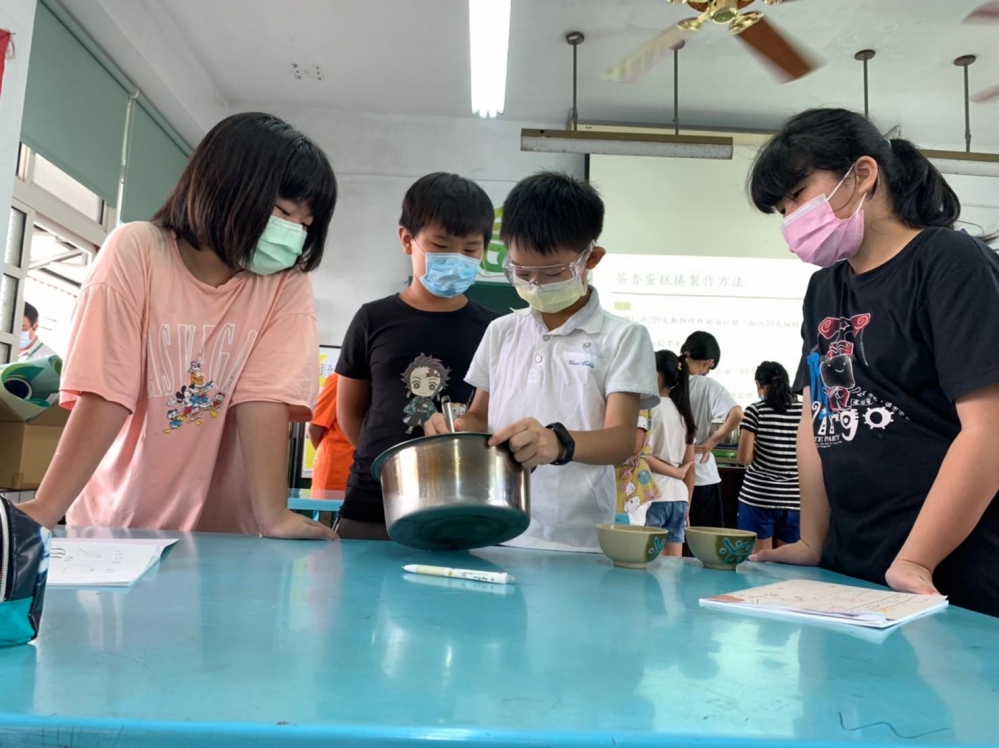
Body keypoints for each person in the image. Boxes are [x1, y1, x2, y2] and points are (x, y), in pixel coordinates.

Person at [18, 113, 339, 540]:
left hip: (225, 535)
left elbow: (264, 399)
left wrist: (272, 515)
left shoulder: (285, 283)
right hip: (115, 523)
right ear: (224, 185)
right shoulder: (137, 249)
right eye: (283, 211)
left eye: (305, 224)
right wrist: (45, 507)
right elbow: (106, 391)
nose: (293, 232)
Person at [748, 107, 999, 617]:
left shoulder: (949, 261)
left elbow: (988, 430)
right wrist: (812, 540)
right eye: (781, 210)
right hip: (850, 565)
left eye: (798, 194)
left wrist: (917, 559)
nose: (791, 219)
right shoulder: (824, 288)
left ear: (863, 174)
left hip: (951, 570)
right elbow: (817, 419)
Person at [424, 172, 659, 552]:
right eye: (522, 272)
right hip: (493, 528)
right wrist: (454, 426)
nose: (535, 284)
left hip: (575, 538)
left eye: (552, 273)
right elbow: (480, 418)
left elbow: (620, 440)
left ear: (591, 258)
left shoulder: (623, 337)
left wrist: (559, 444)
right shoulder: (502, 331)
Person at [334, 173, 498, 540]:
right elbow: (350, 414)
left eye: (470, 250)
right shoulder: (373, 319)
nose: (456, 259)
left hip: (459, 504)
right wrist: (394, 467)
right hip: (373, 501)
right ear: (408, 240)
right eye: (441, 245)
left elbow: (491, 416)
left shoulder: (494, 328)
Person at [736, 361, 802, 554]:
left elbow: (744, 458)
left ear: (759, 384)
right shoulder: (805, 411)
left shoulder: (755, 411)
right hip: (795, 498)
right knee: (787, 562)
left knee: (757, 561)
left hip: (759, 496)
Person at [681, 331, 743, 528]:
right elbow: (737, 414)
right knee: (703, 541)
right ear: (709, 362)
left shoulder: (665, 381)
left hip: (667, 475)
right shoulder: (708, 386)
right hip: (701, 476)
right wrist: (712, 441)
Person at [645, 350, 697, 557]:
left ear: (656, 375)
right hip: (679, 498)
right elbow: (690, 467)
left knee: (648, 565)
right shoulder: (684, 414)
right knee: (674, 567)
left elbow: (642, 455)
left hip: (653, 494)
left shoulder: (649, 410)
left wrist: (676, 472)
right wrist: (687, 506)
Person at [308, 373, 354, 491]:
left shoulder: (376, 383)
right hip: (336, 469)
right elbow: (314, 428)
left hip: (361, 468)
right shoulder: (339, 380)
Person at [615, 409, 661, 524]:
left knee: (624, 533)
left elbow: (635, 445)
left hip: (631, 481)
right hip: (623, 479)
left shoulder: (636, 402)